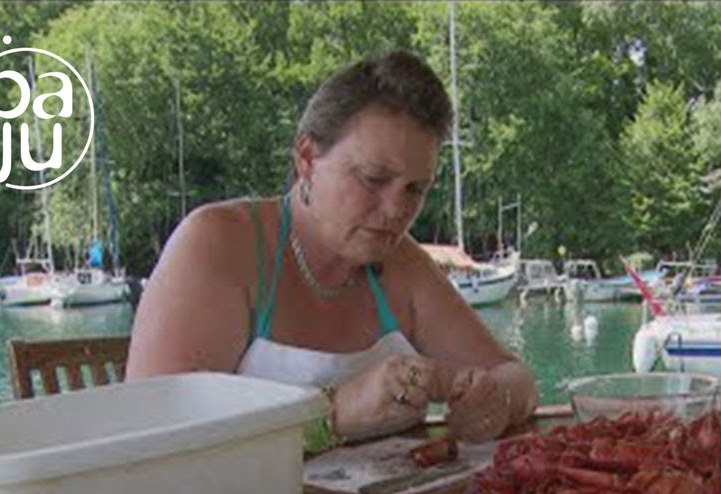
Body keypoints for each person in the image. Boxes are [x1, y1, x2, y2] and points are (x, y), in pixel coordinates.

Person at [127, 50, 537, 444]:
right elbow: (152, 436)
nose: (396, 210)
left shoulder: (402, 262)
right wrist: (334, 415)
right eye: (374, 179)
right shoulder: (217, 243)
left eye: (415, 190)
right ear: (307, 158)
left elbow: (515, 376)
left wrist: (494, 399)